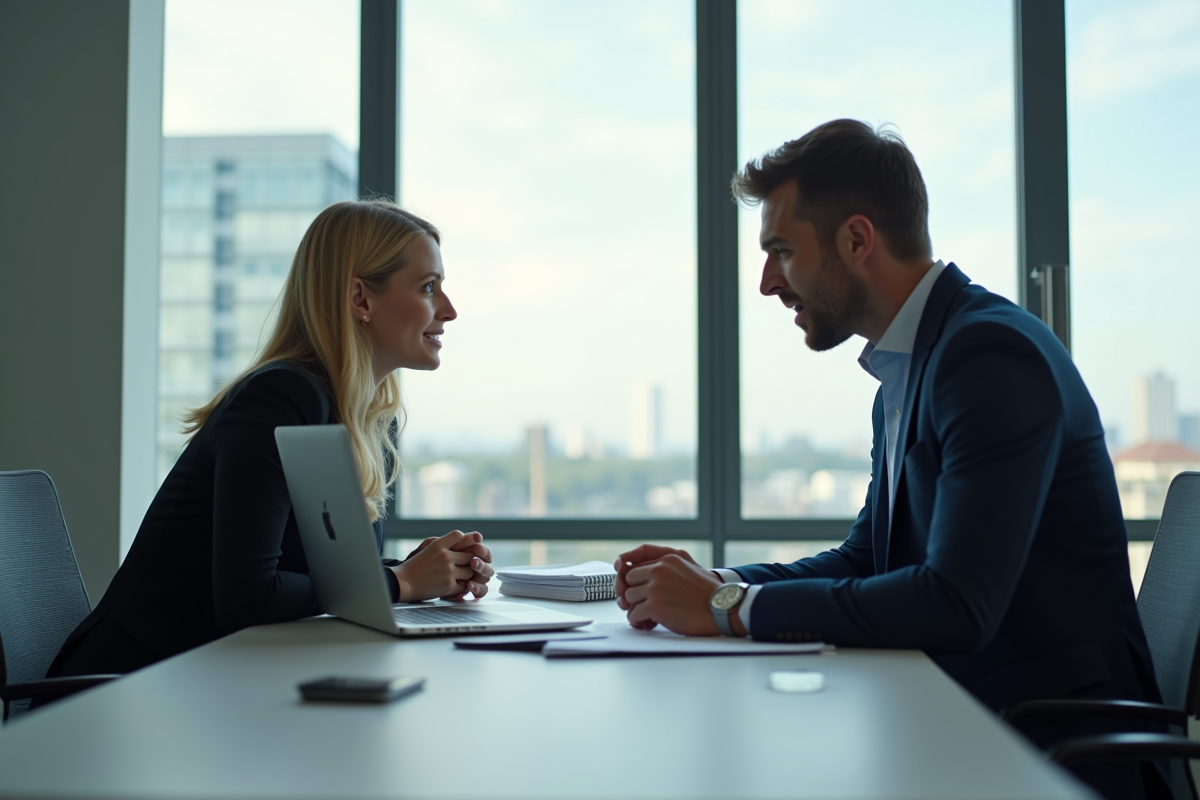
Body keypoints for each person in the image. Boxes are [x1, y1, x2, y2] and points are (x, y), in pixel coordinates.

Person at [614, 120, 1165, 799]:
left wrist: (729, 606)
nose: (764, 283)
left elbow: (955, 604)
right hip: (961, 718)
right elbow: (868, 558)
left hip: (1047, 749)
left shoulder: (987, 356)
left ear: (856, 239)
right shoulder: (914, 369)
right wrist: (711, 579)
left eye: (781, 250)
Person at [48, 200, 493, 678]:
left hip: (209, 684)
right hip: (126, 689)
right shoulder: (282, 397)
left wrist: (426, 569)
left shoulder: (366, 416)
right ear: (360, 299)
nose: (449, 310)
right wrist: (399, 582)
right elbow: (249, 598)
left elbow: (321, 573)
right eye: (429, 288)